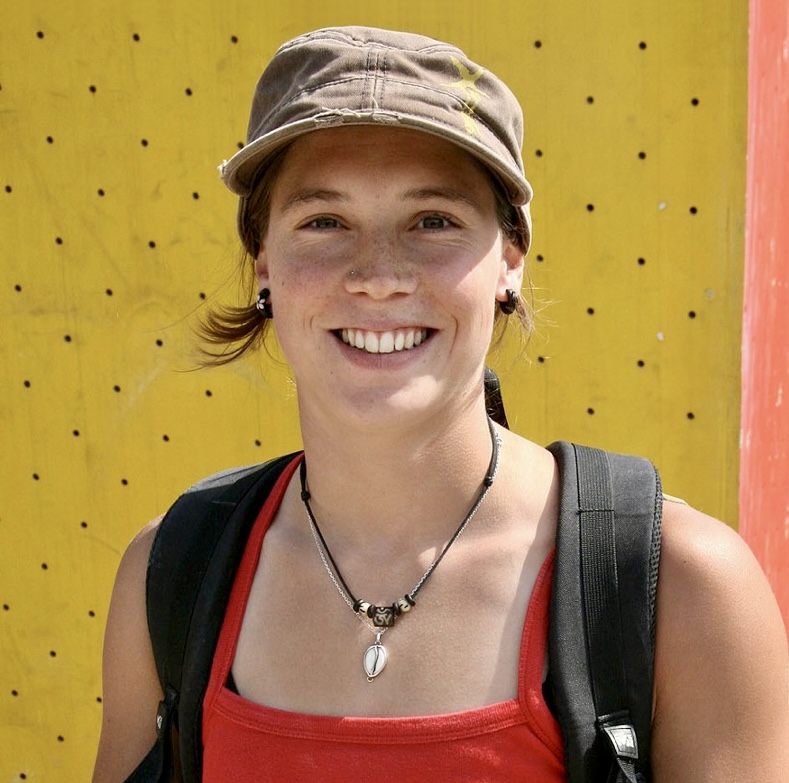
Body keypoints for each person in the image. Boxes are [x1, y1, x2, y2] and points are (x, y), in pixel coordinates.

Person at [92, 26, 789, 782]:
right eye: (324, 221)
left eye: (434, 221)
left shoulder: (675, 588)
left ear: (509, 260)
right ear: (264, 260)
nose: (379, 274)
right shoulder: (175, 573)